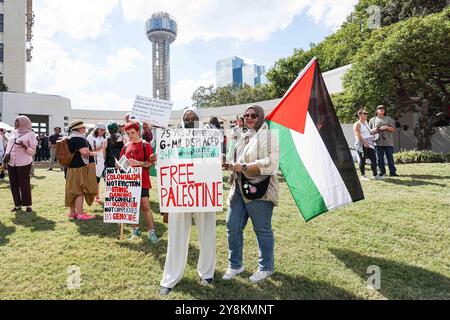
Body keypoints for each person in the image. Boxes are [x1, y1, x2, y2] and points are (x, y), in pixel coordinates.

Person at [159, 108, 217, 296]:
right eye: (186, 118)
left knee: (207, 233)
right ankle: (171, 277)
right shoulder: (172, 138)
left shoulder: (210, 137)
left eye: (193, 118)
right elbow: (168, 163)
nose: (190, 121)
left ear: (200, 120)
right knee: (176, 237)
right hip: (180, 192)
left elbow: (214, 163)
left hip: (203, 192)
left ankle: (207, 273)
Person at [223, 105, 279, 283]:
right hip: (238, 187)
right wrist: (228, 164)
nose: (249, 118)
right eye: (246, 115)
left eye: (253, 115)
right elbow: (237, 161)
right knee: (232, 226)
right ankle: (235, 265)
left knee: (262, 229)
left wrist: (245, 167)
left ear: (260, 117)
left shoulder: (269, 135)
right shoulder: (242, 136)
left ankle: (266, 268)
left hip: (260, 189)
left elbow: (271, 162)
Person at [120, 121, 158, 244]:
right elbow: (121, 163)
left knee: (145, 205)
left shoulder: (145, 145)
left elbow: (150, 163)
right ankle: (135, 230)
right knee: (132, 207)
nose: (130, 135)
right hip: (129, 180)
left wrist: (139, 163)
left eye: (132, 132)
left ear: (138, 132)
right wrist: (119, 165)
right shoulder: (125, 146)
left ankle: (152, 232)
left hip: (143, 180)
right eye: (128, 133)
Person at [65, 120, 98, 221]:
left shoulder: (69, 138)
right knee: (80, 191)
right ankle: (80, 214)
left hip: (71, 168)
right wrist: (94, 154)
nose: (85, 129)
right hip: (80, 168)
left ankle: (72, 213)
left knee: (72, 191)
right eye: (83, 127)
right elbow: (84, 152)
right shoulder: (79, 139)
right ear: (79, 129)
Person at [4, 116, 37, 212]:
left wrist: (24, 146)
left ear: (23, 122)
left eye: (17, 121)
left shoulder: (31, 134)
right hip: (11, 162)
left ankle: (28, 205)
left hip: (24, 163)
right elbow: (9, 147)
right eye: (15, 121)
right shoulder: (13, 132)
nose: (15, 123)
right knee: (13, 184)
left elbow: (33, 152)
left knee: (24, 184)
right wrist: (5, 159)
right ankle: (17, 205)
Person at [369, 105, 398, 177]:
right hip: (377, 142)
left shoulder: (388, 118)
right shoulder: (372, 120)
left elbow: (394, 129)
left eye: (383, 109)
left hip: (388, 142)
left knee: (390, 158)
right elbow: (369, 131)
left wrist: (387, 127)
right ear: (377, 110)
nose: (382, 110)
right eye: (380, 109)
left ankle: (393, 172)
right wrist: (375, 129)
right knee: (379, 159)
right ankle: (382, 172)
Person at [353, 108, 379, 180]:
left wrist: (373, 131)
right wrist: (364, 142)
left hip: (370, 143)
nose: (366, 115)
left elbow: (368, 132)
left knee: (373, 159)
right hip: (361, 143)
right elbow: (358, 134)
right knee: (362, 159)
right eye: (365, 113)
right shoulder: (357, 124)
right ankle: (363, 176)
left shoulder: (366, 123)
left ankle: (375, 175)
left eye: (367, 113)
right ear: (360, 115)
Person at [87, 122, 107, 204]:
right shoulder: (90, 137)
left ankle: (109, 196)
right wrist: (102, 145)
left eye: (104, 130)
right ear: (97, 129)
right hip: (95, 161)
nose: (102, 132)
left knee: (107, 179)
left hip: (104, 160)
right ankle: (96, 196)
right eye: (101, 130)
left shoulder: (105, 137)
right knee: (96, 180)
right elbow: (90, 150)